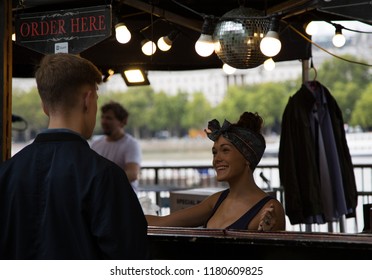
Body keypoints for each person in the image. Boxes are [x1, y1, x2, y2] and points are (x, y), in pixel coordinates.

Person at [0, 53, 148, 259]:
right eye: (96, 99)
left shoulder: (6, 173)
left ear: (44, 106)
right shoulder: (105, 176)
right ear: (87, 100)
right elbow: (130, 258)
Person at [146, 112, 286, 231]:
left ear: (247, 158)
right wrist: (126, 213)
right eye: (214, 153)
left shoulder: (271, 209)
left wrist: (265, 234)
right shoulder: (216, 200)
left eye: (225, 150)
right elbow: (161, 222)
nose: (217, 159)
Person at [91, 101, 141, 193]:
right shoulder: (95, 143)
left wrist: (102, 180)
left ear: (122, 122)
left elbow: (133, 174)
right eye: (102, 117)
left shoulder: (131, 144)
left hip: (124, 199)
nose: (104, 121)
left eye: (109, 118)